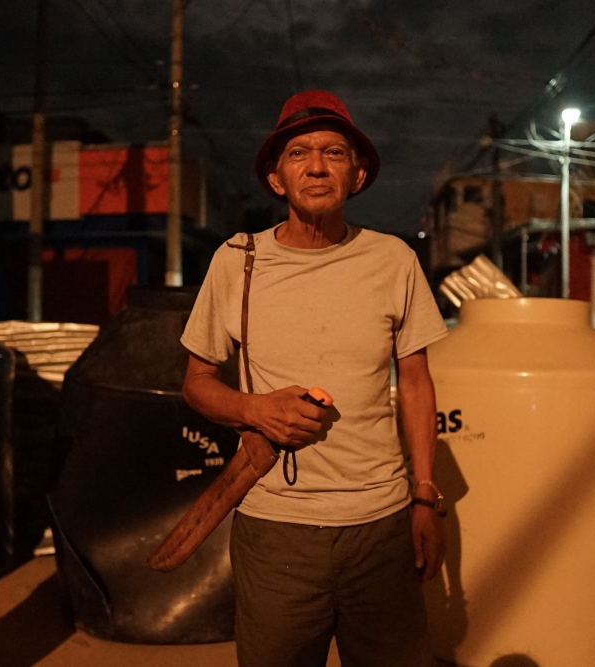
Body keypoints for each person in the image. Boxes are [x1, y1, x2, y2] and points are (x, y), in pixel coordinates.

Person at [179, 90, 448, 667]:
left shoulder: (394, 259)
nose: (318, 166)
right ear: (277, 179)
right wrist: (255, 410)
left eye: (334, 152)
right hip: (277, 526)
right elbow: (196, 382)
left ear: (358, 173)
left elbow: (418, 384)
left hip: (380, 524)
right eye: (299, 153)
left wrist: (425, 498)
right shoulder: (237, 260)